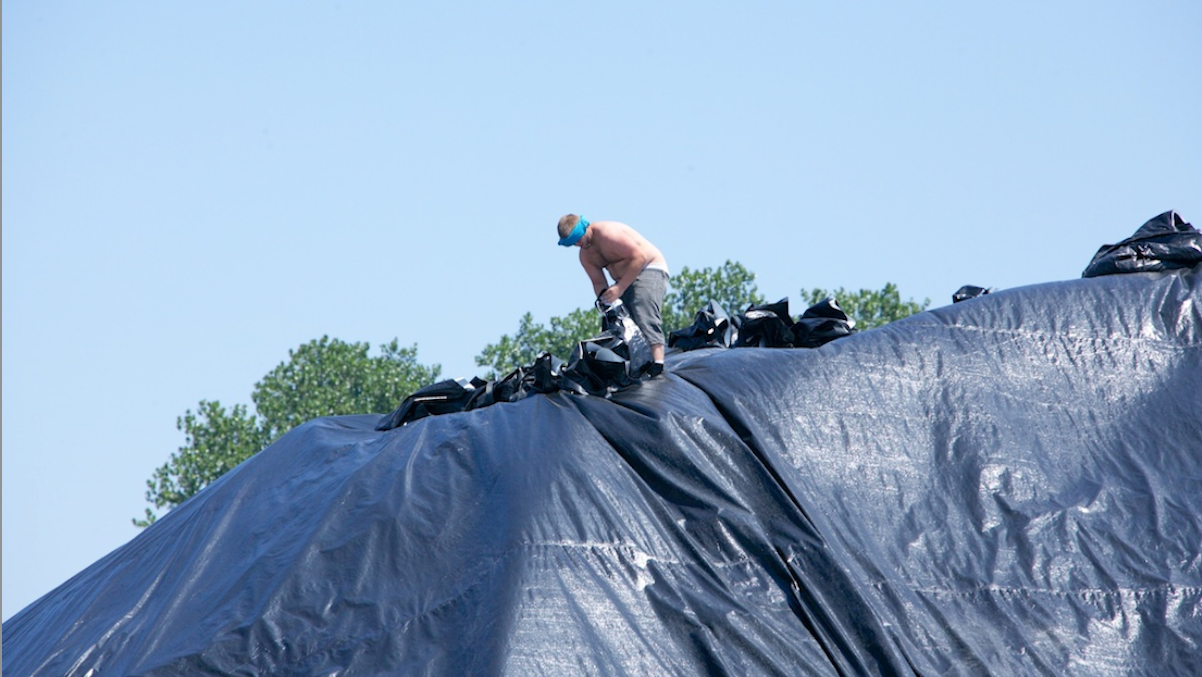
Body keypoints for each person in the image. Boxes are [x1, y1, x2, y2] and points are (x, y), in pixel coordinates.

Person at [557, 214, 669, 375]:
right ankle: (634, 363)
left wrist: (620, 288)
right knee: (618, 322)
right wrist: (605, 299)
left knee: (641, 308)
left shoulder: (608, 233)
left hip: (648, 268)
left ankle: (658, 362)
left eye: (578, 238)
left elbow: (639, 257)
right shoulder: (585, 256)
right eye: (572, 243)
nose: (577, 244)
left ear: (585, 227)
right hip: (623, 282)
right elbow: (598, 282)